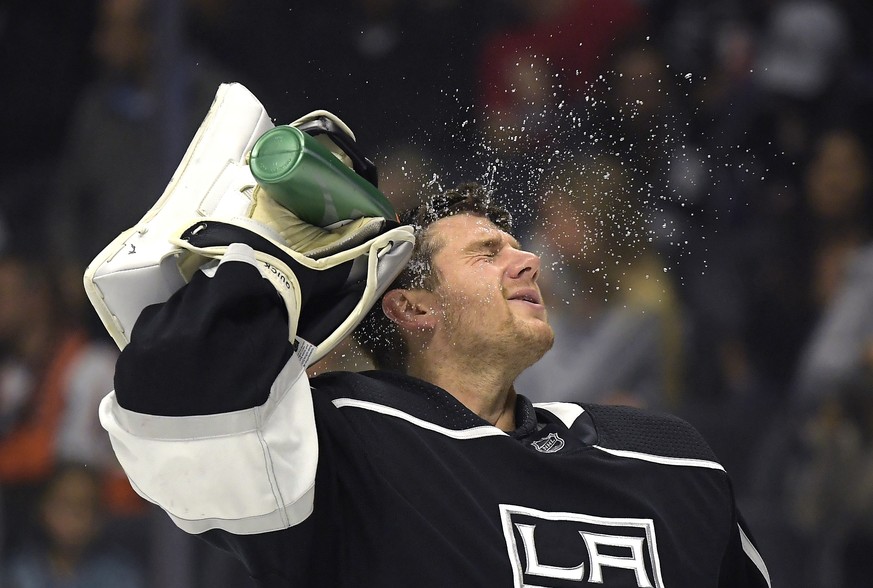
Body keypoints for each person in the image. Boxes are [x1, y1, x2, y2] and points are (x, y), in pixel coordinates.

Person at [95, 106, 771, 585]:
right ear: (412, 305)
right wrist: (266, 259)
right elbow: (172, 402)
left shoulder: (667, 460)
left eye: (516, 245)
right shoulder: (343, 446)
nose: (528, 260)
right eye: (486, 253)